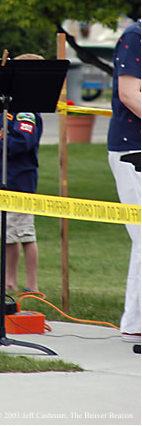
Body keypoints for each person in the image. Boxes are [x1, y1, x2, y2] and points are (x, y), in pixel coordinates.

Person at [0, 54, 44, 293]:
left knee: (23, 234)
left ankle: (31, 285)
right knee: (6, 236)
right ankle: (9, 281)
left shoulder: (27, 111)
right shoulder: (7, 107)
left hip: (19, 181)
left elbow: (21, 143)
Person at [107, 19, 140, 344]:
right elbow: (130, 94)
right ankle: (133, 322)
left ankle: (134, 321)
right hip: (133, 147)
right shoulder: (135, 36)